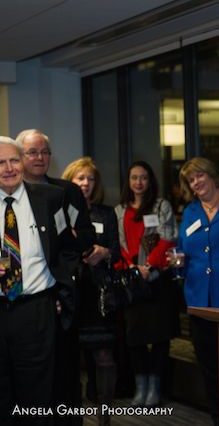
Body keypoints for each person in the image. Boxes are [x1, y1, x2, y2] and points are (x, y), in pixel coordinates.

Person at [16, 128, 96, 425]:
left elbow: (84, 235)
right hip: (22, 300)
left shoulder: (66, 192)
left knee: (65, 371)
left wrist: (65, 243)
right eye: (32, 152)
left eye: (45, 152)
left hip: (62, 295)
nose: (40, 158)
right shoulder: (10, 196)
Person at [0, 136, 78, 425]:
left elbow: (67, 251)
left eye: (14, 160)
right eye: (1, 163)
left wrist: (62, 293)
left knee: (38, 397)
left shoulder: (50, 198)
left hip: (36, 311)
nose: (9, 168)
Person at [175, 157, 219, 425]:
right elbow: (183, 247)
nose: (196, 182)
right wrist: (178, 260)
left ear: (212, 175)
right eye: (190, 180)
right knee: (209, 368)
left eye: (199, 176)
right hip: (199, 299)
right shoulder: (191, 211)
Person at [115, 161, 179, 408]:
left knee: (160, 336)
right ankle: (140, 387)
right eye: (134, 178)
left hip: (157, 279)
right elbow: (118, 244)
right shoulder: (120, 210)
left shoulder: (161, 206)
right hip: (132, 281)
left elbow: (167, 238)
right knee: (135, 338)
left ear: (150, 180)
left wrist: (149, 266)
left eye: (143, 177)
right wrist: (134, 268)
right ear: (128, 181)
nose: (138, 182)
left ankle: (154, 388)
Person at [62, 157, 120, 425]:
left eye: (91, 179)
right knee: (70, 360)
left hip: (99, 294)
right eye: (80, 178)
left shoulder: (106, 213)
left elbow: (117, 251)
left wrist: (104, 252)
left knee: (104, 357)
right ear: (70, 181)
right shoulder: (60, 211)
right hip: (71, 292)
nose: (86, 183)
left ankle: (105, 416)